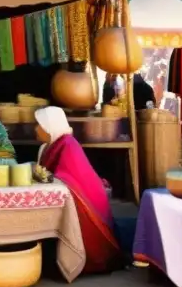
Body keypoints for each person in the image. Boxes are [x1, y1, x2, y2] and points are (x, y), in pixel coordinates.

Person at [35, 106, 121, 273]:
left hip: (86, 203)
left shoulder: (68, 144)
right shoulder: (48, 146)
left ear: (49, 126)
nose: (35, 128)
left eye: (39, 124)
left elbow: (69, 179)